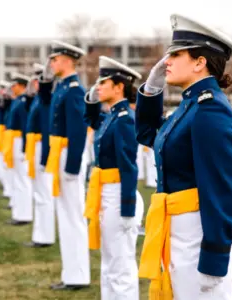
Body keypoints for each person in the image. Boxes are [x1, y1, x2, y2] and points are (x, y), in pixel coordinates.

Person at [137, 13, 232, 300]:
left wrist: (214, 259)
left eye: (176, 54)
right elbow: (149, 135)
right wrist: (151, 89)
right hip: (181, 230)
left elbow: (220, 189)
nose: (166, 61)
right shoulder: (191, 105)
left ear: (200, 62)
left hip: (198, 235)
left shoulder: (210, 110)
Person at [84, 56, 144, 300]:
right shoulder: (112, 116)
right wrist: (92, 95)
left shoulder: (124, 120)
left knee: (121, 266)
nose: (99, 86)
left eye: (103, 82)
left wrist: (127, 208)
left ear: (119, 87)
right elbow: (90, 117)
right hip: (107, 193)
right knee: (109, 265)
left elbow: (129, 166)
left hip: (120, 195)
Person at [45, 40, 90, 290]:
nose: (51, 63)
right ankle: (71, 273)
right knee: (65, 215)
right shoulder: (62, 87)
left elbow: (78, 132)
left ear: (68, 60)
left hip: (67, 156)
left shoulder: (73, 90)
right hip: (59, 154)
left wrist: (72, 167)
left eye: (55, 59)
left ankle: (78, 275)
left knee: (73, 216)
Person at [24, 63, 56, 247]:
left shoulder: (47, 100)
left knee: (43, 194)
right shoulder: (38, 99)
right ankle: (39, 234)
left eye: (38, 80)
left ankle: (45, 237)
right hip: (35, 148)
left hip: (42, 149)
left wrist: (45, 157)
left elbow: (45, 129)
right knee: (39, 194)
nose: (35, 83)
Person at [5, 72, 33, 225]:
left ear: (22, 86)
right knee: (17, 178)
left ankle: (24, 215)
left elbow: (24, 126)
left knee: (22, 179)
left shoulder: (23, 102)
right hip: (13, 141)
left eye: (14, 85)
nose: (12, 88)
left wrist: (24, 148)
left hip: (19, 141)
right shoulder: (17, 101)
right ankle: (19, 212)